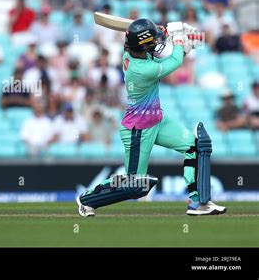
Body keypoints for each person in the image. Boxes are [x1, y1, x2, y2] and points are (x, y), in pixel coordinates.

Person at [77, 19, 226, 217]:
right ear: (144, 45)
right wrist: (180, 42)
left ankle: (198, 202)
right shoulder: (141, 70)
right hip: (138, 131)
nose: (156, 43)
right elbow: (175, 62)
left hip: (158, 121)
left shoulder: (133, 50)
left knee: (196, 146)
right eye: (152, 40)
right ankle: (87, 199)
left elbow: (156, 47)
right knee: (135, 186)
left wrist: (164, 32)